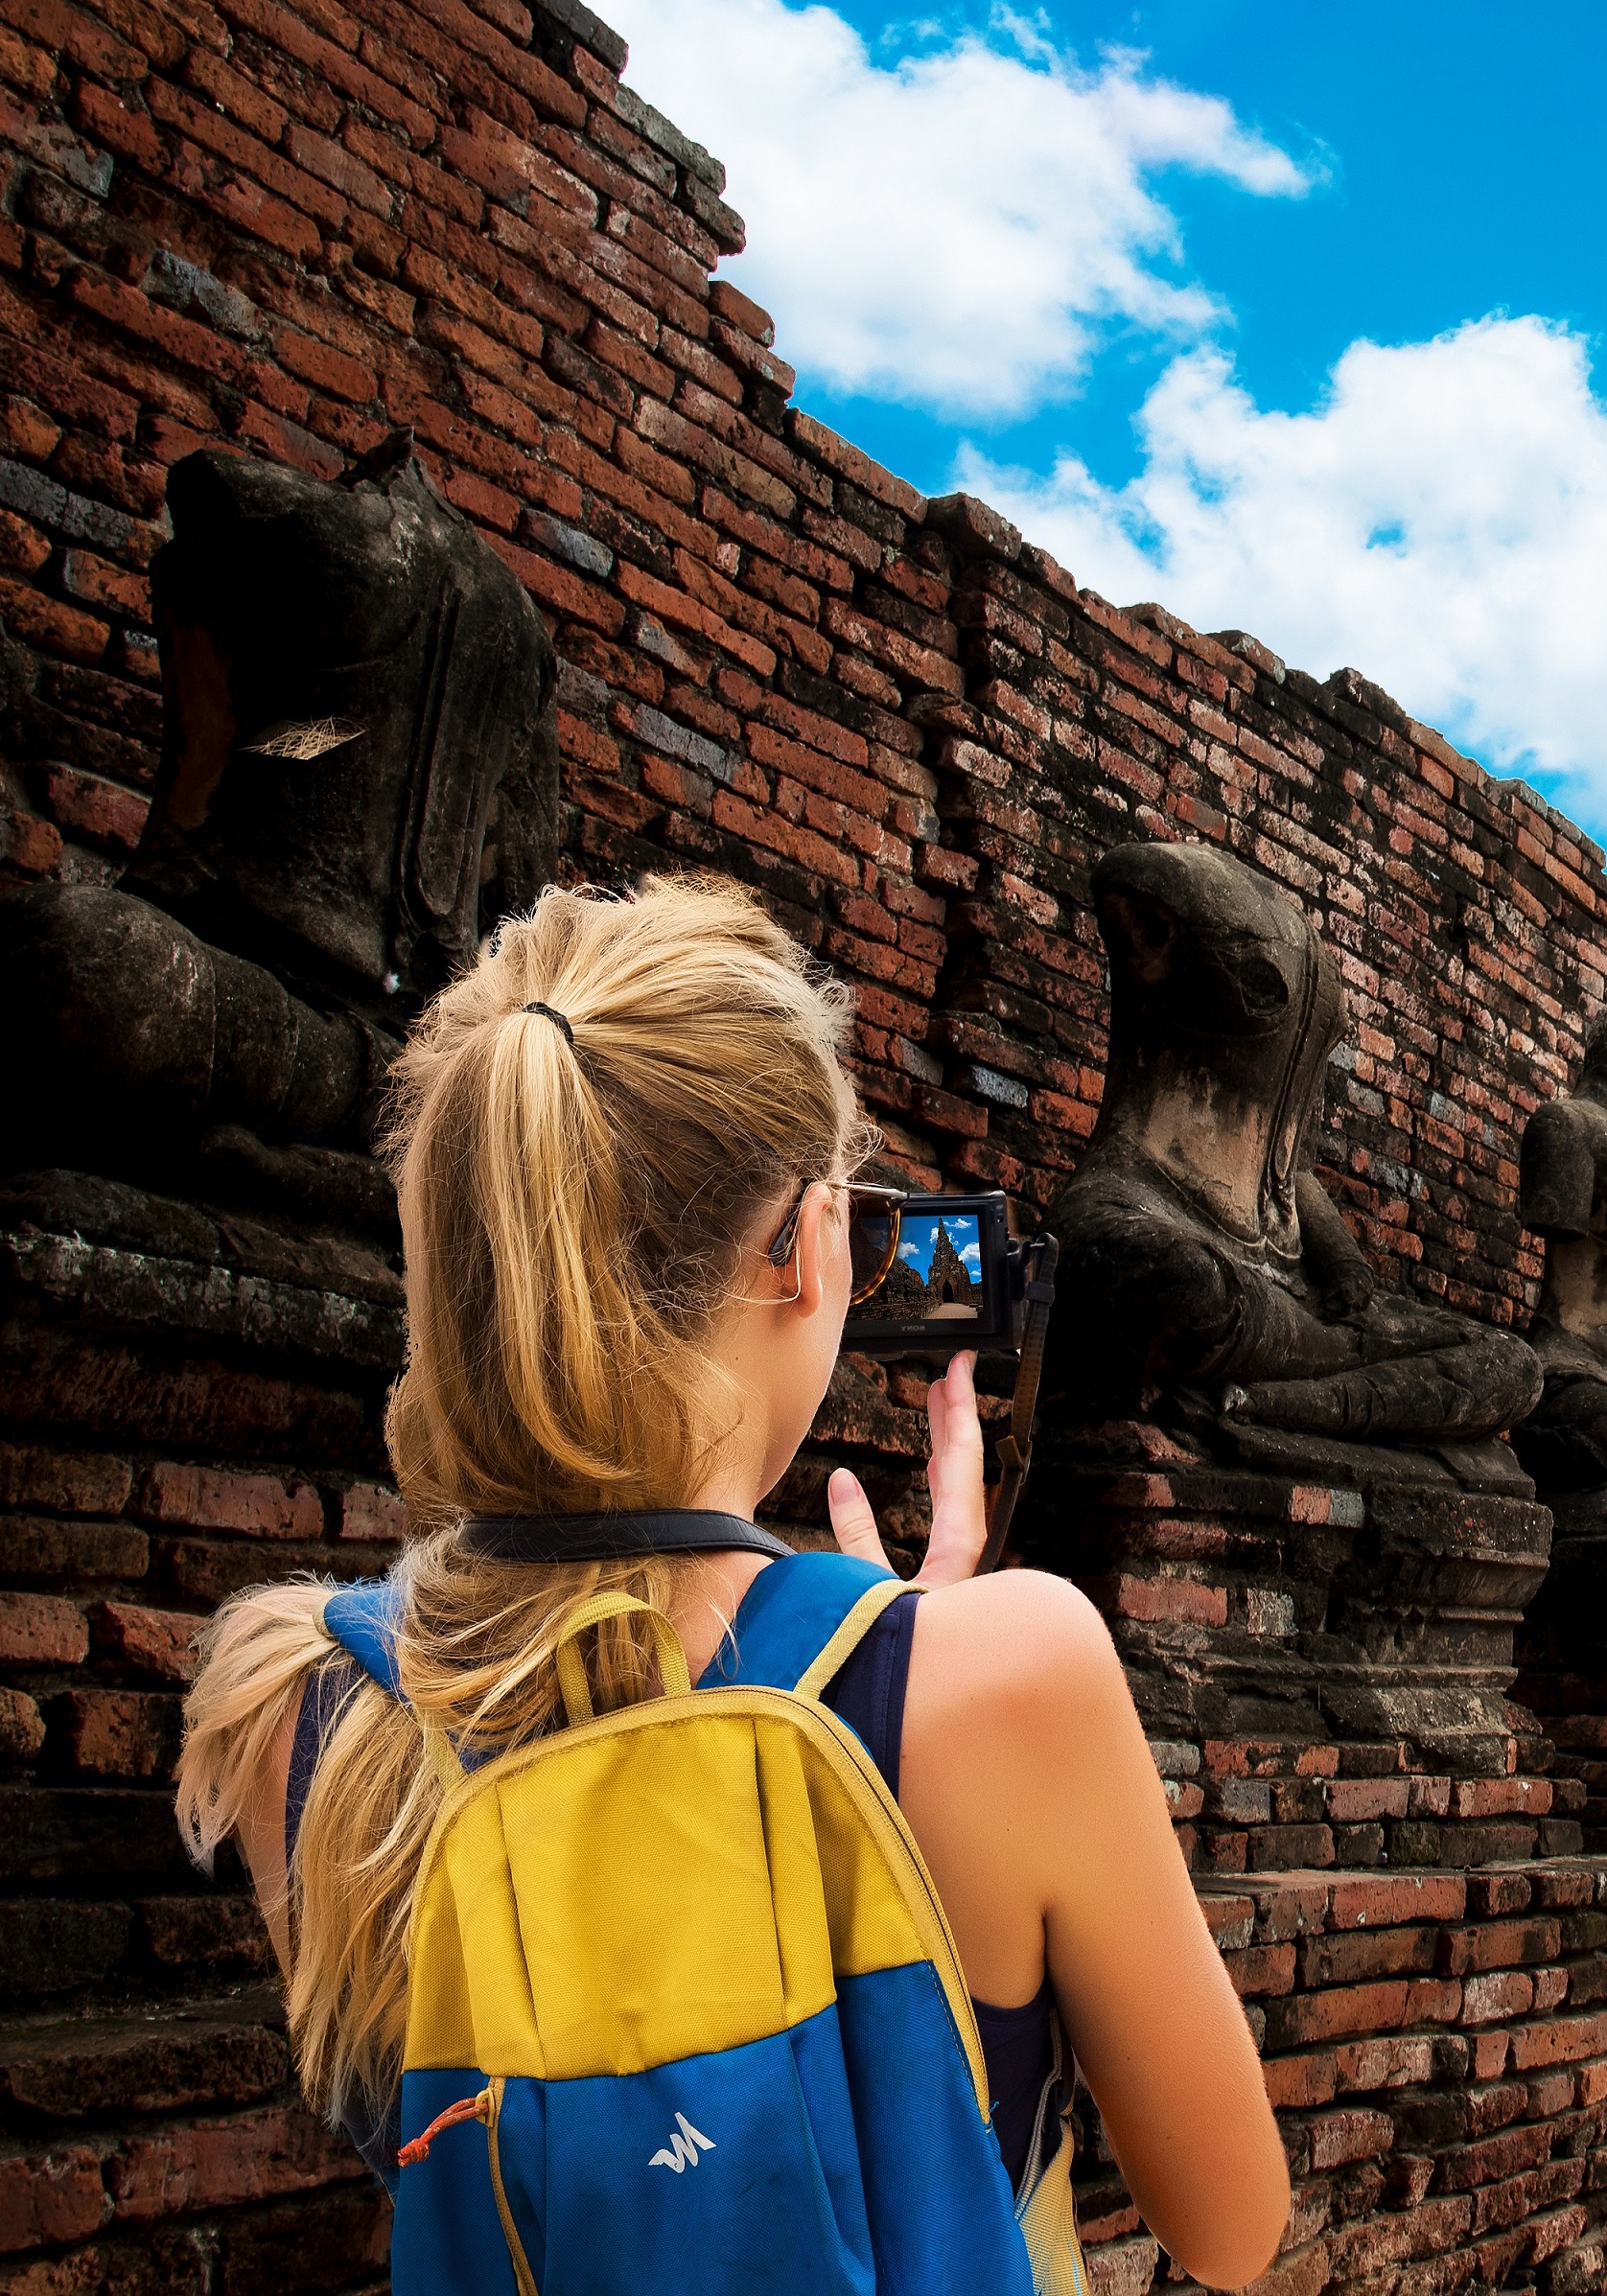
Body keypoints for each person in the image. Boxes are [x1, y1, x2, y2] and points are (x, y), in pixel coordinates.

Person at [173, 877, 1289, 2290]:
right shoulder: (1014, 1675)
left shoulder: (299, 1705)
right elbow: (1234, 2229)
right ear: (808, 1249)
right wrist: (912, 1652)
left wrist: (896, 1642)